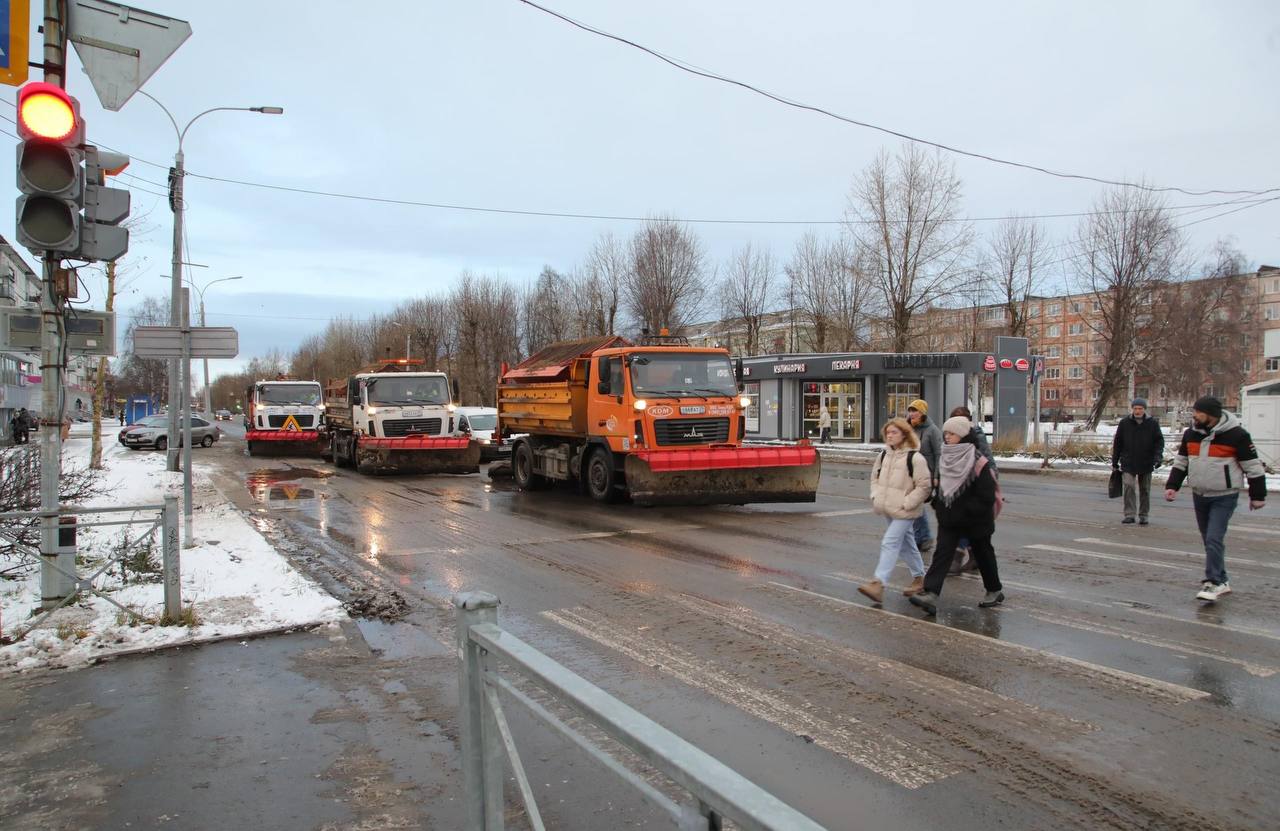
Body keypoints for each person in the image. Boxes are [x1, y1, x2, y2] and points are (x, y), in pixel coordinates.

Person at [1164, 396, 1266, 602]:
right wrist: (1172, 486)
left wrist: (1257, 495)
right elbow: (1181, 462)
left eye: (1198, 412)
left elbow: (1253, 467)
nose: (1194, 415)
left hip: (1224, 496)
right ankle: (1223, 579)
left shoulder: (1237, 435)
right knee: (1209, 540)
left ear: (1211, 414)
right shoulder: (1191, 434)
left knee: (1213, 538)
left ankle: (1214, 582)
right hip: (1200, 494)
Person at [909, 416, 1005, 615]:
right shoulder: (946, 456)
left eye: (951, 433)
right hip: (950, 519)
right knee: (942, 554)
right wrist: (938, 502)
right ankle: (930, 593)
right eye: (946, 433)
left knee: (983, 554)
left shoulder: (979, 462)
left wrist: (966, 510)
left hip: (976, 520)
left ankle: (994, 590)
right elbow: (944, 486)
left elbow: (986, 495)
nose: (947, 437)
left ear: (962, 435)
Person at [859, 417, 931, 603]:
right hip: (889, 507)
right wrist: (875, 495)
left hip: (905, 510)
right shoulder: (884, 455)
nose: (890, 436)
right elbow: (874, 477)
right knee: (907, 544)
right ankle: (919, 577)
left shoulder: (914, 457)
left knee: (890, 542)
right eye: (888, 433)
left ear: (904, 434)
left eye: (894, 432)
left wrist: (907, 503)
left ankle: (878, 583)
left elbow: (924, 486)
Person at [947, 406, 993, 573]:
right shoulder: (951, 436)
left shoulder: (976, 435)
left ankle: (957, 557)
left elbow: (987, 458)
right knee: (968, 526)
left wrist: (991, 481)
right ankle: (975, 558)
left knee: (965, 523)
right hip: (958, 487)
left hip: (974, 487)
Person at [1111, 398, 1164, 526]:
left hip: (1146, 461)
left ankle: (1144, 515)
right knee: (1129, 486)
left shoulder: (1152, 423)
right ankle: (1129, 514)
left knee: (1145, 489)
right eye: (1135, 408)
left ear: (1144, 409)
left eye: (1140, 408)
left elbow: (1159, 442)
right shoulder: (1124, 423)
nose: (1137, 411)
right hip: (1128, 461)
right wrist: (1115, 461)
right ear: (1132, 409)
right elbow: (1118, 442)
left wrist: (1158, 457)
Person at [906, 399, 942, 555]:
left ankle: (923, 536)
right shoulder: (908, 429)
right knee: (914, 505)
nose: (912, 413)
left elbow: (939, 454)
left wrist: (936, 476)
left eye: (916, 411)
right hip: (910, 472)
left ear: (923, 413)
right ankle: (921, 537)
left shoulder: (932, 431)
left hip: (926, 474)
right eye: (911, 410)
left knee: (916, 503)